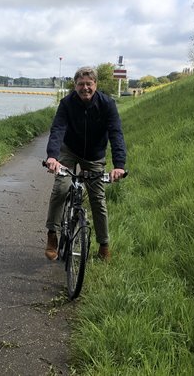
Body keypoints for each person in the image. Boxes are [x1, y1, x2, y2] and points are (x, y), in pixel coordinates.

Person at [44, 66, 127, 262]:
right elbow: (58, 129)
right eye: (81, 84)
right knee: (61, 189)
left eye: (89, 84)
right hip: (69, 151)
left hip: (94, 155)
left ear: (95, 85)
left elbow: (116, 134)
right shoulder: (67, 103)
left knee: (98, 198)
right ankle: (52, 235)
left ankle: (104, 245)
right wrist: (52, 157)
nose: (85, 88)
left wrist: (119, 165)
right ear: (75, 86)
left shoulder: (107, 104)